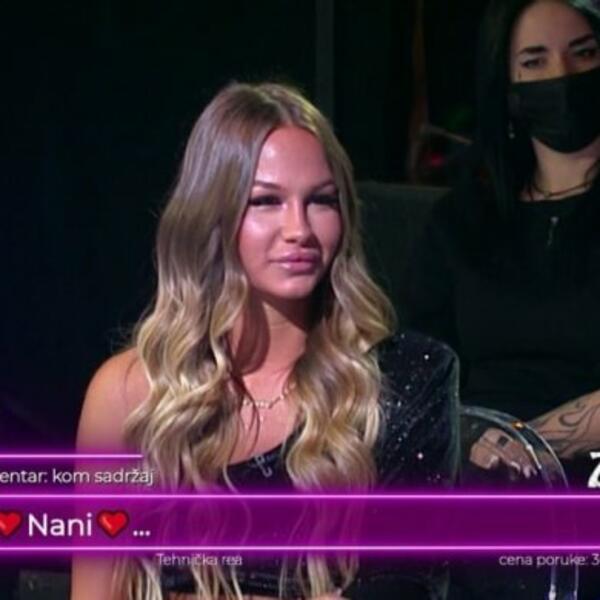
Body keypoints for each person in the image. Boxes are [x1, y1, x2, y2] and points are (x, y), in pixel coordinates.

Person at [71, 82, 458, 600]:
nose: (299, 229)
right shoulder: (125, 396)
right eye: (266, 201)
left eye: (321, 201)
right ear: (213, 215)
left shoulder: (404, 379)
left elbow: (404, 585)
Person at [406, 0, 600, 481]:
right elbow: (417, 376)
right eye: (535, 61)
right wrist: (473, 436)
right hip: (474, 472)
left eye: (584, 53)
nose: (563, 74)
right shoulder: (460, 222)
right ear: (507, 87)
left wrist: (529, 440)